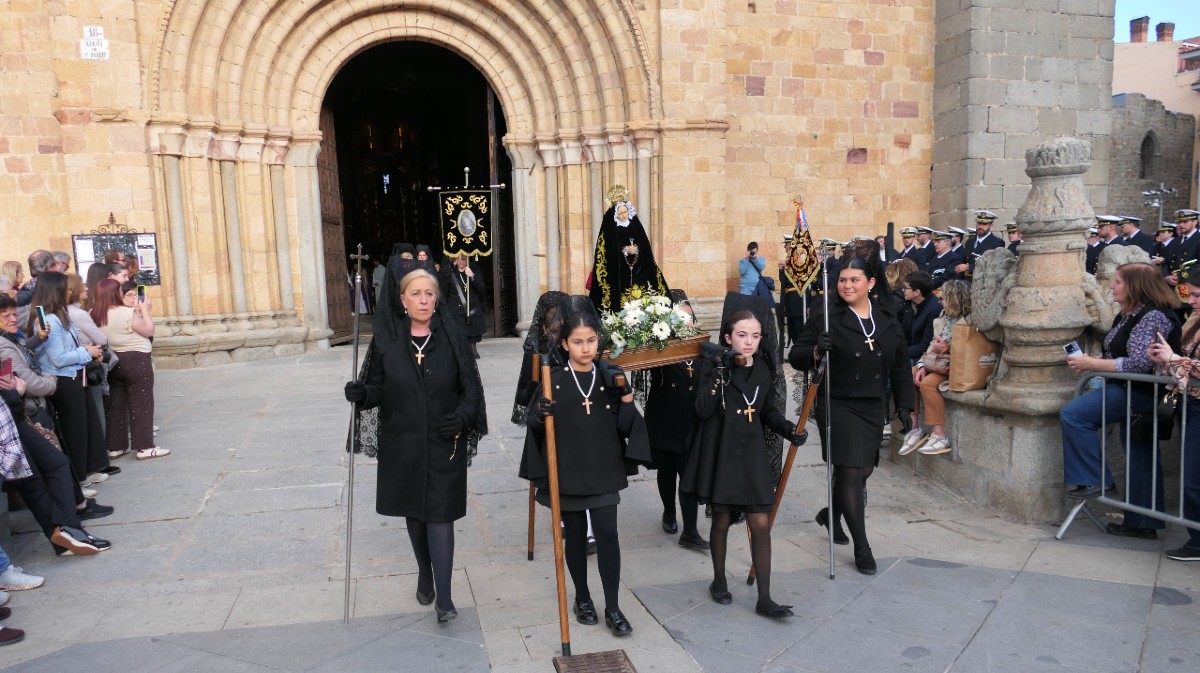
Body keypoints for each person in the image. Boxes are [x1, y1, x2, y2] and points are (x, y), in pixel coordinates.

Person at [344, 264, 486, 623]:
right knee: (416, 516)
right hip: (403, 441)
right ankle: (425, 571)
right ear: (402, 299)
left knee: (440, 516)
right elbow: (377, 387)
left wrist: (462, 416)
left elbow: (471, 390)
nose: (423, 300)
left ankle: (445, 599)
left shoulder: (452, 336)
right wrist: (362, 394)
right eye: (416, 294)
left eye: (429, 293)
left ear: (437, 299)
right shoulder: (388, 339)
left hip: (444, 440)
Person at [519, 299, 650, 636]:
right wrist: (540, 415)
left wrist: (625, 396)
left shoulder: (608, 376)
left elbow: (626, 426)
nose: (585, 348)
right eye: (577, 342)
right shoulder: (553, 379)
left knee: (608, 535)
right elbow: (535, 428)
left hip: (603, 467)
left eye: (591, 340)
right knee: (575, 537)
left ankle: (613, 606)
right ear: (565, 344)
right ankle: (582, 597)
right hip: (569, 470)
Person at [681, 298, 805, 618]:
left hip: (752, 456)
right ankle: (719, 581)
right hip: (724, 454)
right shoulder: (712, 366)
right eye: (741, 335)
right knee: (721, 520)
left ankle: (765, 598)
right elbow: (702, 410)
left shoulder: (762, 368)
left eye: (755, 335)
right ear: (727, 337)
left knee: (761, 524)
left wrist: (789, 429)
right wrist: (720, 371)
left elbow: (767, 412)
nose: (749, 342)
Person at [790, 256, 914, 575]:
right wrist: (816, 350)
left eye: (854, 280)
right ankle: (862, 547)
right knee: (850, 473)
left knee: (864, 470)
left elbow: (901, 362)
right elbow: (796, 356)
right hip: (838, 403)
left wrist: (904, 405)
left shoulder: (887, 316)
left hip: (872, 403)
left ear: (870, 283)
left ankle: (831, 514)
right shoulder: (826, 316)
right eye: (842, 280)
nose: (847, 285)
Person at [1060, 263, 1180, 540]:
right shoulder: (1129, 314)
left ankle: (1095, 480)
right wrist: (1093, 362)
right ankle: (1142, 523)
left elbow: (1138, 363)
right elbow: (1120, 354)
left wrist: (1093, 364)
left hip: (1140, 391)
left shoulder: (1152, 315)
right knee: (1140, 456)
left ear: (1136, 286)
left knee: (1074, 414)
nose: (1112, 286)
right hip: (1132, 389)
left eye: (1118, 281)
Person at [28, 271, 111, 484]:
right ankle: (80, 476)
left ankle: (88, 470)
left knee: (86, 425)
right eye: (66, 288)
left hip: (75, 375)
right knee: (75, 430)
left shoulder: (61, 315)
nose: (70, 291)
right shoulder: (50, 320)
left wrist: (86, 350)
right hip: (64, 379)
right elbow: (58, 358)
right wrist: (87, 352)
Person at [644, 292, 708, 551]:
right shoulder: (659, 345)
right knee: (667, 469)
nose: (685, 323)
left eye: (688, 317)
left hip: (693, 421)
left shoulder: (702, 345)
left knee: (689, 473)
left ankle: (690, 530)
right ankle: (669, 511)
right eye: (678, 318)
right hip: (665, 419)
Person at [1148, 262, 1200, 561]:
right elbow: (1184, 362)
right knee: (1191, 478)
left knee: (1193, 479)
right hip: (1189, 403)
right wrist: (1163, 359)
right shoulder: (1194, 321)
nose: (1190, 300)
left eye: (1196, 295)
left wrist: (1174, 359)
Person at [92, 279, 166, 461]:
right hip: (137, 359)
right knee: (142, 403)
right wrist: (145, 311)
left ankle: (116, 447)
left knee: (116, 404)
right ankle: (144, 446)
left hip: (114, 360)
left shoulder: (94, 313)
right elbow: (148, 331)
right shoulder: (125, 312)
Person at [899, 280, 972, 456]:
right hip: (938, 362)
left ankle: (939, 435)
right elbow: (933, 343)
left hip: (957, 365)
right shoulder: (943, 317)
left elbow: (974, 347)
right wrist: (923, 365)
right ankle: (914, 428)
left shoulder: (971, 320)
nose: (940, 300)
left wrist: (948, 347)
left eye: (944, 297)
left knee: (928, 384)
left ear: (955, 298)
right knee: (909, 374)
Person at [587, 186, 669, 313]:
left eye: (625, 212)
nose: (623, 215)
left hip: (638, 270)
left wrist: (636, 249)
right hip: (619, 272)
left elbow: (645, 247)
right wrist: (624, 250)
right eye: (620, 213)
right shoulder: (611, 229)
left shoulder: (635, 226)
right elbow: (606, 252)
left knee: (640, 297)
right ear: (616, 215)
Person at [440, 253, 488, 358]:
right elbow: (445, 293)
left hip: (472, 307)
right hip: (456, 309)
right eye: (459, 259)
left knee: (473, 331)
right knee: (461, 332)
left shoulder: (473, 271)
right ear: (455, 261)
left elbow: (481, 289)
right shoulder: (450, 274)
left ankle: (473, 350)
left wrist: (472, 276)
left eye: (464, 259)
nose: (461, 262)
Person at [903, 271, 941, 364]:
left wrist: (898, 353)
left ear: (917, 292)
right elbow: (903, 332)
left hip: (921, 358)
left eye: (905, 287)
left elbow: (924, 346)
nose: (903, 290)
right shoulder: (910, 303)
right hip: (908, 351)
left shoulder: (934, 310)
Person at [956, 210, 1004, 277]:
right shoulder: (970, 242)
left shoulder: (997, 243)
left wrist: (969, 267)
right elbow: (962, 261)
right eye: (979, 223)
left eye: (984, 224)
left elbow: (992, 265)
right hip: (967, 281)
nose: (980, 227)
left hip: (983, 280)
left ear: (990, 225)